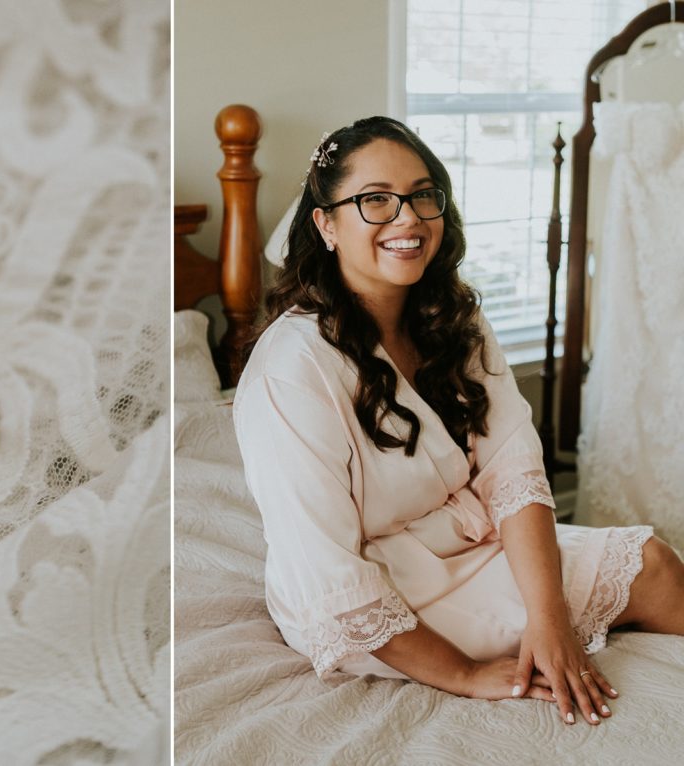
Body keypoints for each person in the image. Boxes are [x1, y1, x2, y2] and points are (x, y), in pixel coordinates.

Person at [232, 116, 684, 727]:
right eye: (375, 201)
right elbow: (326, 573)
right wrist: (465, 674)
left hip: (470, 545)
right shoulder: (291, 368)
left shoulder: (452, 317)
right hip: (369, 588)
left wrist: (550, 622)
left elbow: (514, 472)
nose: (408, 218)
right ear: (326, 224)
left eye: (423, 195)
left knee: (656, 563)